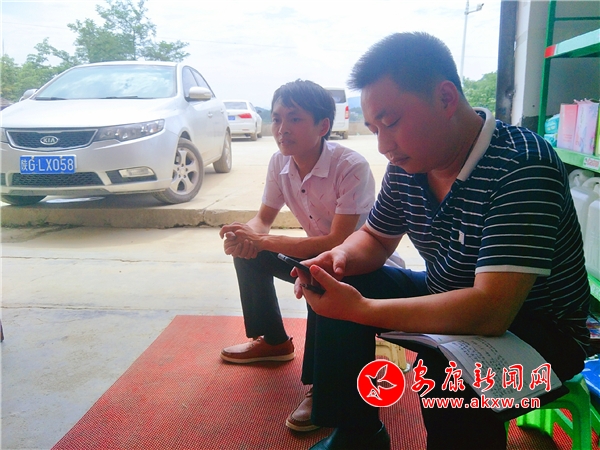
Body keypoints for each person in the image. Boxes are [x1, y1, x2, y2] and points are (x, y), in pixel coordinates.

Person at [293, 32, 591, 450]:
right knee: (335, 283)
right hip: (451, 295)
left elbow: (491, 311)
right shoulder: (408, 164)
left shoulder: (522, 165)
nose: (383, 145)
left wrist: (362, 310)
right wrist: (339, 257)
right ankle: (357, 434)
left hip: (538, 330)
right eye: (374, 129)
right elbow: (375, 238)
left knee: (446, 373)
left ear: (446, 98)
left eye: (391, 123)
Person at [218, 79, 376, 432]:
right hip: (315, 256)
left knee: (319, 275)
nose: (282, 129)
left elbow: (337, 240)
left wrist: (265, 240)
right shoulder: (280, 162)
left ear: (323, 126)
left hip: (355, 262)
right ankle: (274, 342)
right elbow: (263, 219)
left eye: (294, 119)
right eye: (276, 119)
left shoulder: (351, 166)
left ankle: (323, 385)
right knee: (249, 253)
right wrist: (244, 236)